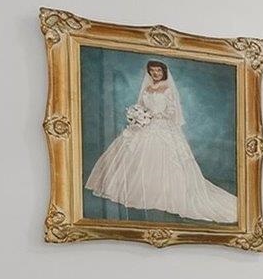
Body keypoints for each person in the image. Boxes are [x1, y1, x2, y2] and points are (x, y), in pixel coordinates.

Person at [84, 60, 238, 222]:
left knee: (164, 158)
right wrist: (139, 115)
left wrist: (157, 115)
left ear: (163, 72)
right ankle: (143, 190)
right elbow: (141, 106)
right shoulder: (147, 89)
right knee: (137, 156)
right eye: (152, 70)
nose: (156, 73)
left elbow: (172, 111)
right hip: (146, 125)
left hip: (162, 127)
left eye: (158, 70)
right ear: (149, 72)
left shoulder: (168, 89)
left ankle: (167, 194)